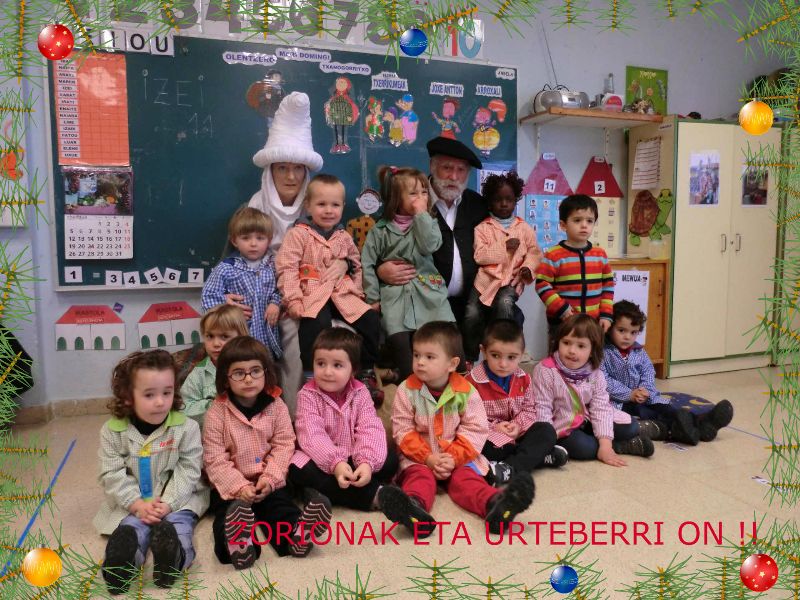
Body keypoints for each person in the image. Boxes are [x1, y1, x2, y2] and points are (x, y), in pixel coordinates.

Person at [391, 321, 535, 535]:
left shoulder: (466, 391)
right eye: (416, 355)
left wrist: (452, 457)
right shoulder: (406, 390)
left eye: (429, 357)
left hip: (457, 457)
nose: (420, 362)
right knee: (418, 478)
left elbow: (475, 429)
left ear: (452, 364)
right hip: (419, 457)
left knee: (467, 480)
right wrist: (428, 457)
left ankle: (495, 504)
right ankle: (413, 508)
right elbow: (402, 430)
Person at [202, 336, 333, 570]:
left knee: (280, 508)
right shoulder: (217, 412)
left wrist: (270, 479)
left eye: (255, 371)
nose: (248, 378)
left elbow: (284, 445)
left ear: (266, 372)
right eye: (239, 373)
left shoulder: (276, 405)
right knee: (226, 515)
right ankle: (239, 545)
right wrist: (239, 487)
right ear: (225, 378)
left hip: (267, 481)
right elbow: (214, 459)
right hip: (231, 488)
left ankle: (296, 536)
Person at [95, 350, 209, 594]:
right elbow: (111, 473)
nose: (160, 402)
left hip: (180, 499)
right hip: (135, 502)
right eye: (149, 395)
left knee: (178, 526)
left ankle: (174, 560)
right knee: (131, 527)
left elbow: (189, 469)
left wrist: (168, 503)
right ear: (128, 397)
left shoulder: (186, 428)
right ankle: (121, 567)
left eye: (167, 393)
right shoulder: (112, 431)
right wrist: (136, 503)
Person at [374, 137, 488, 365]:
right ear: (432, 167)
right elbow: (383, 242)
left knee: (458, 367)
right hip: (423, 302)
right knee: (423, 365)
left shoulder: (477, 204)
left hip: (466, 305)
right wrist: (380, 269)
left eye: (461, 170)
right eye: (447, 168)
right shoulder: (408, 199)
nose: (453, 176)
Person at [247, 91, 325, 417]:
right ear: (271, 171)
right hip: (262, 292)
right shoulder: (256, 207)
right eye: (282, 168)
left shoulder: (317, 208)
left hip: (306, 293)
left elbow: (331, 251)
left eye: (297, 169)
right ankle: (262, 415)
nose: (291, 177)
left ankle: (299, 419)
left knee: (300, 336)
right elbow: (237, 258)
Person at [275, 174, 382, 400]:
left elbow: (356, 264)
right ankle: (310, 374)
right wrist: (293, 299)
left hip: (342, 293)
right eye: (321, 204)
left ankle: (366, 370)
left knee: (370, 320)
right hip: (313, 294)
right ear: (308, 205)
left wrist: (357, 292)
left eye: (335, 205)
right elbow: (287, 268)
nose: (328, 211)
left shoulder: (343, 236)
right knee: (316, 324)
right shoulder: (298, 234)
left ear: (342, 206)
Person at [288, 327, 408, 518]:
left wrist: (366, 462)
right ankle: (375, 496)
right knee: (298, 469)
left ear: (353, 370)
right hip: (320, 460)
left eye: (337, 365)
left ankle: (319, 492)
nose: (327, 372)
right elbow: (312, 435)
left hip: (353, 456)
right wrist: (335, 463)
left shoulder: (360, 392)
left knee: (390, 461)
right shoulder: (307, 395)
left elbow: (369, 427)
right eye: (321, 363)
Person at [361, 166, 455, 380]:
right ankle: (406, 383)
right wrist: (373, 298)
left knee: (446, 340)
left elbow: (429, 245)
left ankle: (443, 387)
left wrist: (421, 215)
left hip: (429, 294)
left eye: (424, 192)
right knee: (401, 346)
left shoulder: (428, 223)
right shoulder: (380, 231)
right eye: (413, 193)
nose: (421, 198)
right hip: (395, 298)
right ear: (396, 198)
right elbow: (367, 263)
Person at [602, 300, 733, 444]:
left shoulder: (638, 351)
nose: (627, 337)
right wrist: (629, 394)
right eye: (621, 331)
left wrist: (646, 390)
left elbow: (648, 371)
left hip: (645, 397)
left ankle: (702, 423)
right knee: (647, 414)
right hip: (620, 402)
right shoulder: (603, 352)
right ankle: (693, 427)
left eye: (633, 332)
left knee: (666, 408)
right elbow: (603, 380)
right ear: (610, 327)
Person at [533, 314, 655, 467]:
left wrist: (605, 444)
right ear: (558, 343)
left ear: (592, 350)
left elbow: (600, 407)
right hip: (563, 425)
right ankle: (619, 446)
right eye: (566, 343)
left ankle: (608, 446)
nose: (572, 351)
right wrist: (545, 440)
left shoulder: (595, 373)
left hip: (588, 419)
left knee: (631, 426)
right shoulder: (545, 370)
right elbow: (542, 408)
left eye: (581, 346)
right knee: (585, 448)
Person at [467, 319, 567, 485]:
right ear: (483, 351)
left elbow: (530, 410)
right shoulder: (472, 383)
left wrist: (517, 426)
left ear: (522, 355)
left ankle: (509, 468)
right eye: (495, 355)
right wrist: (495, 428)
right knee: (482, 448)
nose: (503, 364)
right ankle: (537, 457)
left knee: (546, 430)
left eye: (511, 357)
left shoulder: (524, 379)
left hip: (517, 434)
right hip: (489, 436)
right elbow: (469, 419)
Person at [464, 171, 541, 360]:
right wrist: (503, 247)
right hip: (485, 281)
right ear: (490, 202)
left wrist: (528, 268)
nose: (504, 204)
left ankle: (503, 348)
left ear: (516, 200)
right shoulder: (482, 228)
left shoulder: (524, 228)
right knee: (471, 313)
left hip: (510, 281)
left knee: (505, 303)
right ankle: (470, 356)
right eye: (498, 200)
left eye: (509, 199)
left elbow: (534, 252)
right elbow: (479, 255)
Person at [202, 207, 282, 360]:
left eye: (260, 238)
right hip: (240, 333)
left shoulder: (274, 265)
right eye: (246, 238)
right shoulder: (226, 268)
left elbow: (282, 288)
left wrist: (275, 303)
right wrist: (226, 304)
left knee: (266, 365)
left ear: (269, 240)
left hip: (268, 334)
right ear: (234, 241)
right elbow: (208, 296)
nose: (253, 244)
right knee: (240, 362)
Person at [535, 194, 614, 336]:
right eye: (577, 220)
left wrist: (606, 314)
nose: (584, 225)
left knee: (592, 350)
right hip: (563, 322)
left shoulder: (600, 254)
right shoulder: (553, 255)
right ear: (563, 225)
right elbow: (542, 284)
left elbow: (608, 286)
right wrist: (561, 308)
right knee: (562, 350)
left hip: (593, 322)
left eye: (589, 221)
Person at [181, 305, 249, 427]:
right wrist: (212, 405)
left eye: (224, 337)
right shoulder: (200, 373)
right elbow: (183, 408)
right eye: (210, 336)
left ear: (241, 337)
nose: (216, 343)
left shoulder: (252, 367)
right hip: (212, 432)